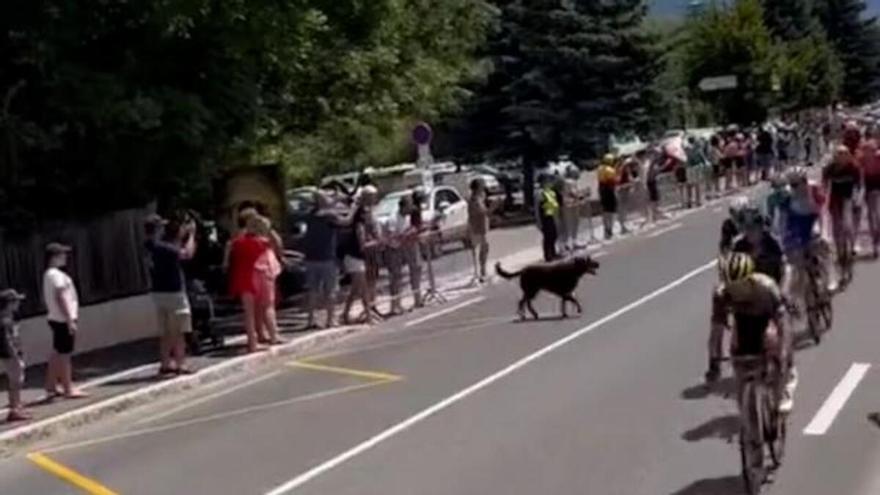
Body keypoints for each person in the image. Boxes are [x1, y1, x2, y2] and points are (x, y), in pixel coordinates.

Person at [709, 253, 796, 415]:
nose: (736, 291)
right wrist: (713, 361)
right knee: (738, 355)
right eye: (731, 286)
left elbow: (783, 323)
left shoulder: (766, 287)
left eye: (740, 285)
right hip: (743, 321)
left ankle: (783, 388)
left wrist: (784, 354)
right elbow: (717, 329)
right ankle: (746, 413)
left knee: (774, 343)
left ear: (750, 279)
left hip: (767, 317)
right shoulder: (721, 294)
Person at [145, 214, 197, 375]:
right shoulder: (162, 247)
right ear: (157, 229)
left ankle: (166, 362)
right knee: (178, 330)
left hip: (158, 291)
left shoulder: (149, 245)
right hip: (173, 291)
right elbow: (186, 254)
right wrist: (191, 236)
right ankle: (181, 363)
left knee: (165, 330)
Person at [42, 243, 87, 399]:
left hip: (56, 317)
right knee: (65, 355)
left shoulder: (49, 274)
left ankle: (51, 385)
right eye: (62, 254)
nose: (65, 257)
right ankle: (68, 388)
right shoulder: (56, 275)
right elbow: (61, 297)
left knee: (57, 352)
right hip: (62, 318)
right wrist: (69, 320)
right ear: (54, 257)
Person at [302, 191, 348, 329]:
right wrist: (354, 207)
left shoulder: (310, 214)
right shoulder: (329, 215)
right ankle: (330, 320)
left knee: (312, 291)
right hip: (327, 258)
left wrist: (333, 202)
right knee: (331, 291)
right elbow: (346, 221)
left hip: (310, 258)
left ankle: (311, 320)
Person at [227, 210, 269, 353]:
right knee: (253, 311)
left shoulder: (238, 241)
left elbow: (229, 252)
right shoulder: (258, 242)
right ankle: (253, 343)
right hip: (253, 276)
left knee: (249, 312)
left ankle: (253, 340)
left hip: (241, 274)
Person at [823, 145, 861, 287]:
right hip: (835, 200)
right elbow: (824, 185)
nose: (841, 157)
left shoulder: (854, 167)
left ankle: (850, 244)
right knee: (836, 230)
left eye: (844, 154)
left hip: (849, 199)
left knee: (847, 226)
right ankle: (839, 251)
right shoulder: (830, 168)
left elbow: (859, 185)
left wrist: (858, 198)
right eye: (839, 154)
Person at [342, 189, 380, 325]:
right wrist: (377, 242)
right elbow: (362, 243)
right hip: (354, 255)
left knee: (355, 289)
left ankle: (345, 314)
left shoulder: (364, 211)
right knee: (362, 288)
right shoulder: (358, 215)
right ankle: (369, 316)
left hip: (358, 256)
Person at [249, 215, 284, 345]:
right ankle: (274, 335)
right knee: (268, 306)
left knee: (257, 306)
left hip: (252, 273)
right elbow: (279, 244)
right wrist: (271, 231)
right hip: (266, 272)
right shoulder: (265, 241)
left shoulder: (247, 240)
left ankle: (261, 333)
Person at [1, 289, 29, 422]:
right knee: (16, 380)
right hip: (10, 353)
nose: (18, 303)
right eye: (16, 301)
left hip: (13, 352)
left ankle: (17, 405)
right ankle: (14, 408)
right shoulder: (4, 320)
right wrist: (15, 354)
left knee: (17, 379)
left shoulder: (9, 317)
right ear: (9, 303)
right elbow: (7, 339)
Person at [467, 178, 491, 282]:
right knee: (480, 249)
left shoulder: (480, 196)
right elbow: (483, 212)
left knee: (484, 248)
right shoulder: (474, 199)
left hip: (482, 227)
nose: (484, 187)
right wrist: (494, 206)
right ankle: (481, 272)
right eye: (482, 185)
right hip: (477, 228)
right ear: (478, 187)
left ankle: (482, 270)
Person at [861, 130, 880, 258]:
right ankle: (875, 242)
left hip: (873, 183)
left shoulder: (864, 156)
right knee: (873, 213)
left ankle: (875, 241)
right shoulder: (866, 157)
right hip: (870, 183)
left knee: (873, 213)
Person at [536, 173, 560, 261]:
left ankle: (553, 252)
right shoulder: (539, 193)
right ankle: (548, 255)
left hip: (551, 215)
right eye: (546, 180)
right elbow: (537, 208)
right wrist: (538, 221)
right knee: (548, 236)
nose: (548, 182)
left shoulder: (549, 191)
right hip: (544, 217)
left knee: (554, 235)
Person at [597, 154, 620, 240]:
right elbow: (614, 182)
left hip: (602, 190)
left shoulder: (600, 169)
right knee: (611, 211)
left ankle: (606, 229)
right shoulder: (610, 170)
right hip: (609, 191)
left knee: (605, 210)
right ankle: (609, 229)